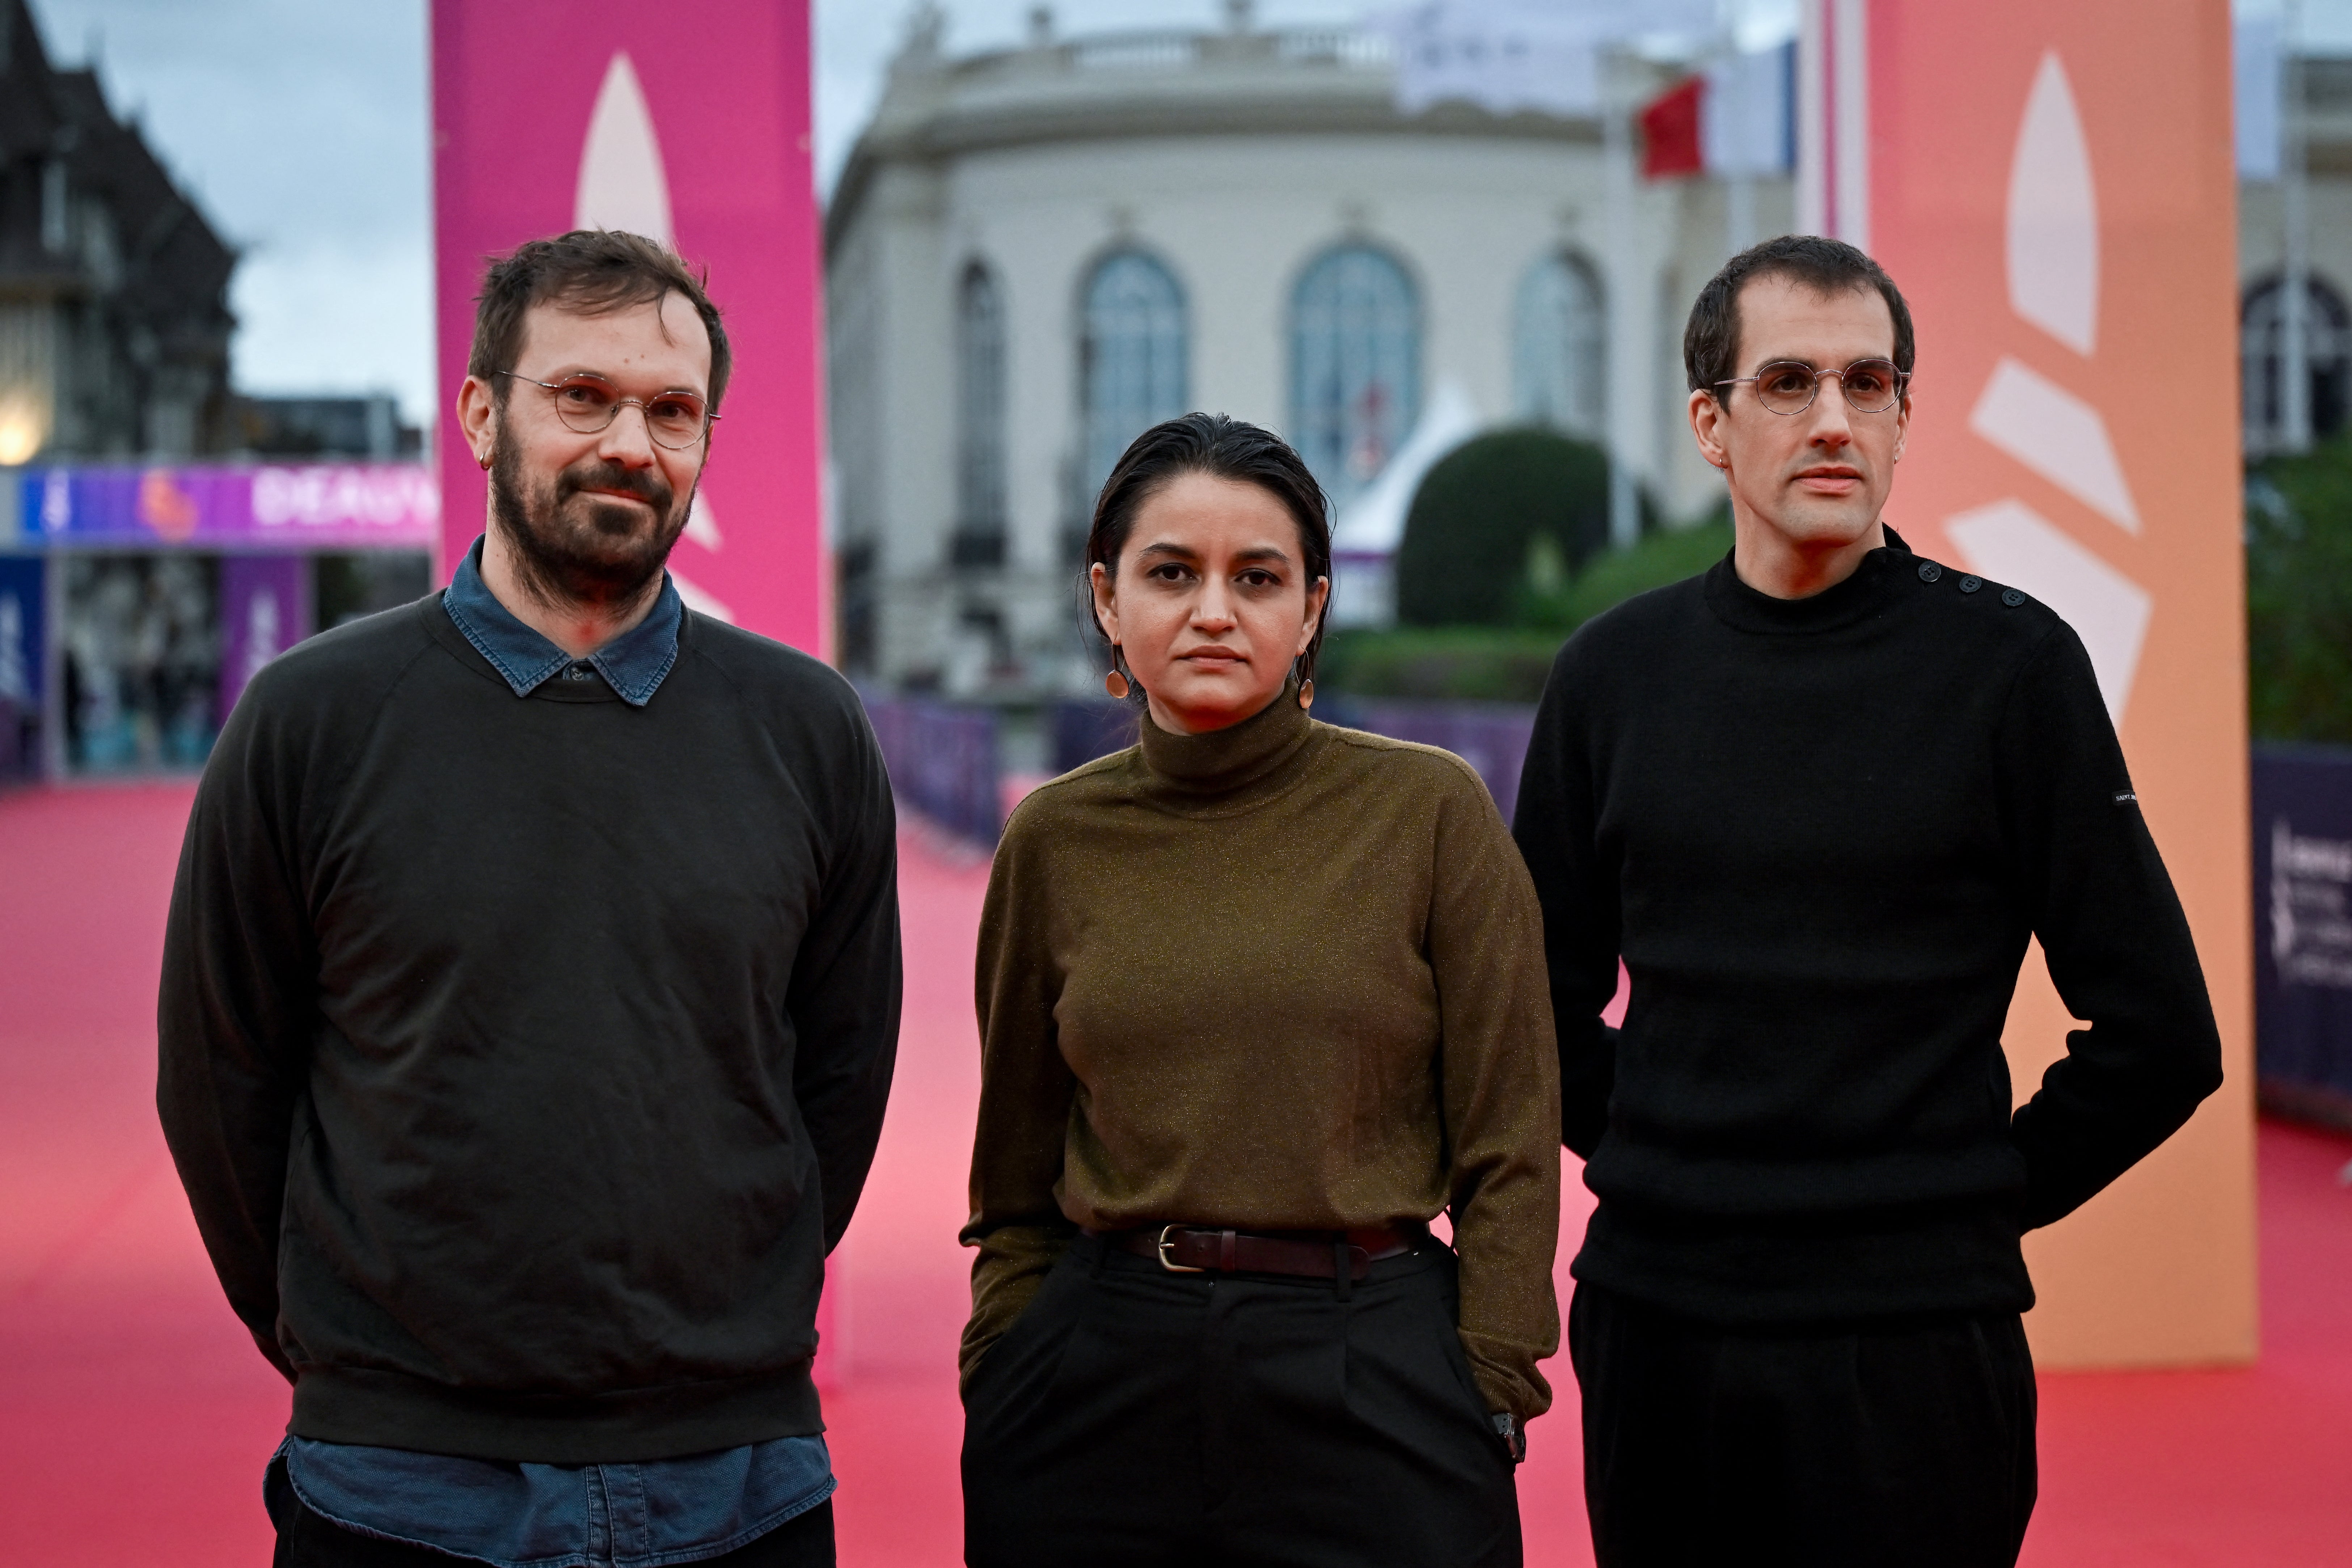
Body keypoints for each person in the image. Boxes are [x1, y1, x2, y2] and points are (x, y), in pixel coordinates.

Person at [157, 230, 901, 1568]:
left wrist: (729, 1308)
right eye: (584, 396)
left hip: (741, 1483)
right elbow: (219, 1078)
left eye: (672, 411)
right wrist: (355, 1351)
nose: (631, 441)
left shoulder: (809, 730)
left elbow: (841, 1077)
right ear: (482, 414)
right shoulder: (310, 722)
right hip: (396, 1489)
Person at [1511, 233, 2224, 1568]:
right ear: (1710, 427)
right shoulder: (1612, 675)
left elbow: (2163, 1037)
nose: (1833, 419)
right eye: (1787, 383)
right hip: (1662, 1326)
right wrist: (1676, 1154)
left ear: (1905, 415)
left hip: (1916, 1347)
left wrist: (1966, 1199)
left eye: (1868, 383)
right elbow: (1527, 1005)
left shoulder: (2011, 666)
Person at [958, 413, 1562, 1568]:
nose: (1214, 611)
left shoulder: (1430, 813)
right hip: (1096, 1376)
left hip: (1372, 1366)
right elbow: (1016, 1163)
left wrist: (1488, 1376)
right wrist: (1008, 1361)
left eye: (1259, 576)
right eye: (1171, 573)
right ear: (1106, 598)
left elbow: (1511, 1131)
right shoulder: (1053, 837)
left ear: (1314, 608)